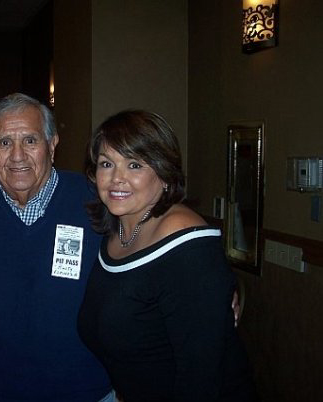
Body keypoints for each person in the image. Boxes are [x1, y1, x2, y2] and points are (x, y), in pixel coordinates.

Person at [77, 110, 256, 402]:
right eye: (106, 164)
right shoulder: (115, 233)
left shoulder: (185, 243)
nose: (116, 178)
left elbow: (201, 377)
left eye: (134, 165)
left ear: (164, 174)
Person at [0, 93, 113, 401]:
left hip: (87, 390)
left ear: (52, 144)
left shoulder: (99, 201)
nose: (17, 155)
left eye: (30, 141)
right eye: (4, 142)